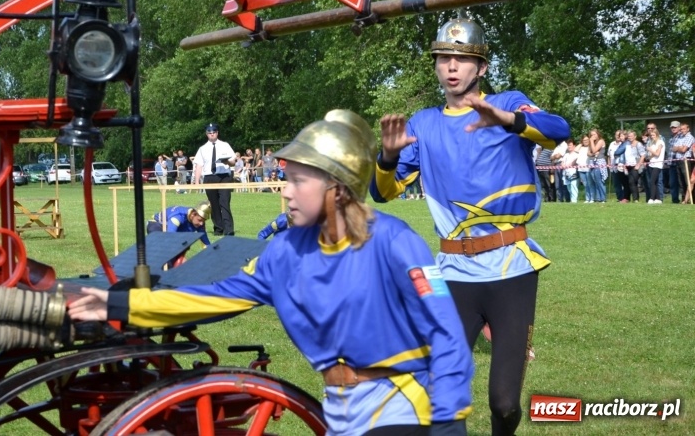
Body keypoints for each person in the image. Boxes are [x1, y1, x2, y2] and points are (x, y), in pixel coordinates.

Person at [69, 110, 474, 436]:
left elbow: (447, 333)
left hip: (405, 408)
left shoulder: (394, 242)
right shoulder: (284, 253)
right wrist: (116, 302)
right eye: (285, 177)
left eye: (299, 180)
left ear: (338, 187)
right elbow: (212, 296)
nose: (285, 189)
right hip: (341, 410)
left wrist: (448, 420)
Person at [370, 14, 570, 436]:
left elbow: (558, 130)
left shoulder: (511, 102)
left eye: (463, 59)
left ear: (482, 67)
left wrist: (508, 120)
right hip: (454, 273)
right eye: (444, 58)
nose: (452, 67)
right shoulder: (422, 124)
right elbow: (382, 192)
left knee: (504, 402)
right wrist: (387, 157)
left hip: (510, 270)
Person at [193, 122, 236, 236]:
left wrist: (227, 161)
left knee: (225, 203)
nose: (212, 134)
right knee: (214, 204)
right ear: (206, 134)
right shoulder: (202, 149)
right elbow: (199, 165)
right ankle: (218, 227)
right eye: (209, 132)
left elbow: (233, 162)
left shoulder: (225, 145)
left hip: (224, 177)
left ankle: (229, 229)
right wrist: (197, 182)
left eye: (214, 132)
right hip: (209, 177)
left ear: (217, 133)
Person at [146, 202, 212, 268]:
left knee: (186, 242)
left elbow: (206, 243)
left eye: (204, 221)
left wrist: (213, 257)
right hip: (157, 226)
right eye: (200, 220)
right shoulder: (179, 216)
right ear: (193, 214)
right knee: (167, 249)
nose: (201, 223)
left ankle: (176, 265)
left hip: (175, 233)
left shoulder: (200, 224)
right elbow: (170, 237)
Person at [645, 128, 665, 203]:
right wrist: (649, 156)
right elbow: (651, 155)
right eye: (651, 135)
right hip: (651, 164)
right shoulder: (651, 142)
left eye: (653, 135)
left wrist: (650, 150)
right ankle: (658, 198)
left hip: (658, 164)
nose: (652, 136)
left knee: (652, 181)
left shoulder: (660, 142)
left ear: (657, 135)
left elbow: (657, 154)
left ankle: (652, 198)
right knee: (655, 182)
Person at [587, 129, 607, 203]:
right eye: (591, 135)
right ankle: (598, 198)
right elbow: (588, 153)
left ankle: (603, 198)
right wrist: (592, 153)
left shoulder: (601, 141)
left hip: (599, 162)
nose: (593, 136)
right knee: (595, 180)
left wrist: (591, 141)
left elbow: (594, 150)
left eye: (594, 134)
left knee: (600, 181)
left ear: (598, 134)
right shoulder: (592, 142)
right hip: (592, 162)